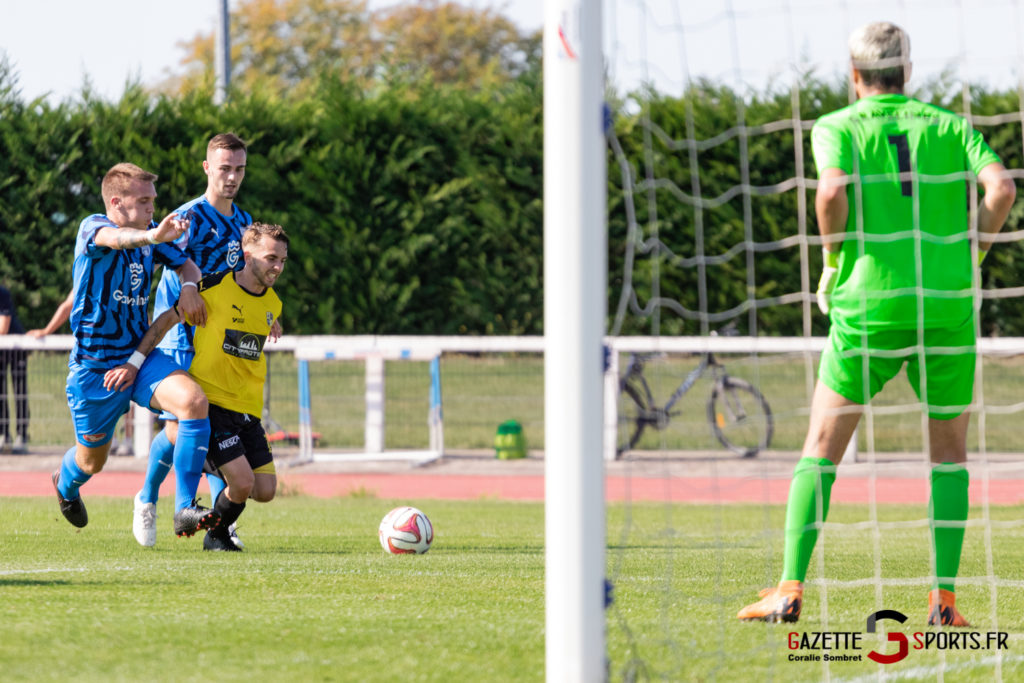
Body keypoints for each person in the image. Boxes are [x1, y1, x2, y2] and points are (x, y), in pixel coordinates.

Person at [737, 22, 1016, 627]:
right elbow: (1001, 188)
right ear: (907, 72)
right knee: (949, 456)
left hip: (872, 303)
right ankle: (943, 603)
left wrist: (834, 259)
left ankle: (788, 591)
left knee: (821, 450)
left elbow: (831, 191)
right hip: (946, 304)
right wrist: (974, 252)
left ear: (854, 74)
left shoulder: (838, 126)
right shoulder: (949, 126)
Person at [52, 162, 221, 539]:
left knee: (193, 402)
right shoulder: (92, 228)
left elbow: (188, 267)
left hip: (140, 357)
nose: (151, 209)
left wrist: (190, 286)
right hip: (95, 370)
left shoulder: (151, 236)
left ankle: (184, 510)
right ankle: (64, 485)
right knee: (91, 462)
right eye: (143, 201)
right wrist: (153, 236)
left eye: (153, 201)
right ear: (116, 202)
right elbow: (117, 240)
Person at [132, 132, 263, 548]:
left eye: (239, 169)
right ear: (208, 168)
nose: (232, 177)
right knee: (186, 424)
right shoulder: (187, 218)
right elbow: (160, 257)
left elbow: (244, 285)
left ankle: (215, 524)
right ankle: (151, 498)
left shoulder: (244, 223)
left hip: (219, 342)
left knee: (206, 426)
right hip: (180, 338)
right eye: (224, 168)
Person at [126, 222, 288, 551]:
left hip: (248, 411)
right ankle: (216, 535)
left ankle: (193, 453)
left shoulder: (274, 304)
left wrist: (272, 322)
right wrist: (136, 361)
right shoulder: (210, 288)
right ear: (247, 256)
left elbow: (259, 319)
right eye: (271, 258)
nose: (277, 267)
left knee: (265, 490)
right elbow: (165, 322)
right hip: (213, 407)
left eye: (283, 261)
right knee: (241, 483)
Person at [0, 286, 29, 454]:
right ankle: (4, 434)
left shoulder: (3, 293)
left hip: (16, 347)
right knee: (0, 393)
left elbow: (3, 328)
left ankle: (22, 435)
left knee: (20, 392)